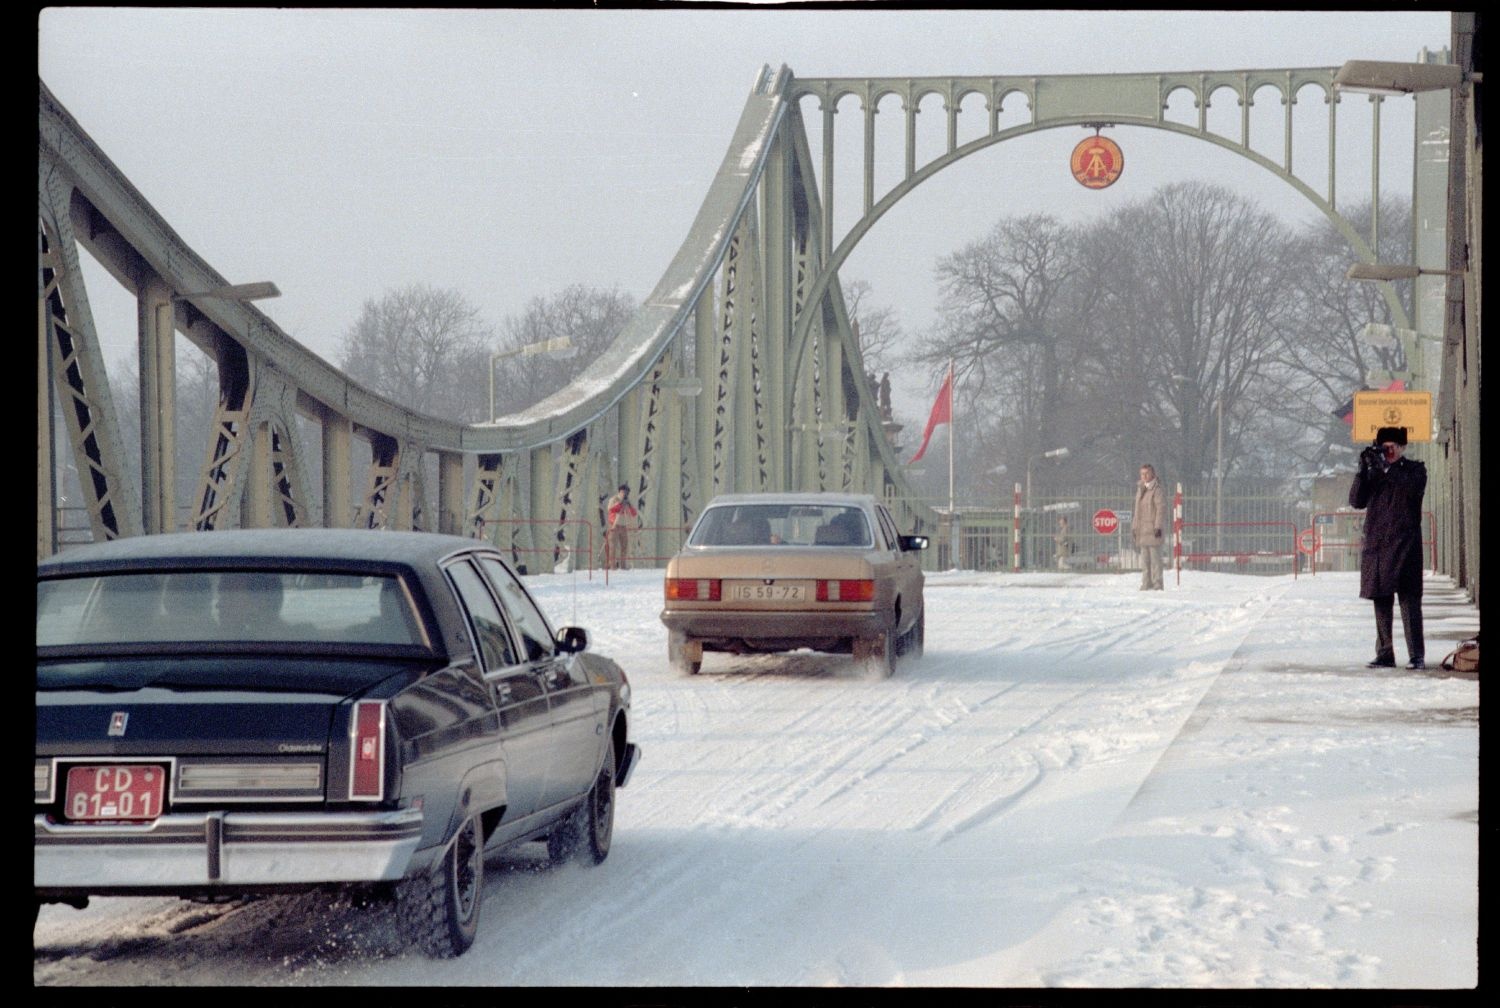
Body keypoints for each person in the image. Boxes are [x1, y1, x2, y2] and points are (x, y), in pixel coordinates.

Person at [1348, 425, 1427, 669]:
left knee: (1409, 601)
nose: (1388, 452)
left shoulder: (1415, 470)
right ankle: (1385, 653)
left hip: (1406, 546)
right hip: (1379, 546)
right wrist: (1363, 471)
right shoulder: (1374, 473)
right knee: (1381, 601)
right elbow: (1356, 501)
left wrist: (1385, 468)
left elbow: (1410, 491)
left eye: (1393, 447)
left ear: (1403, 447)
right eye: (1385, 448)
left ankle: (1416, 655)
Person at [1132, 463, 1166, 590]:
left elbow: (1160, 509)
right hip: (1142, 530)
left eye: (1147, 473)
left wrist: (1158, 526)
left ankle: (1157, 583)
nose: (1144, 476)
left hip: (1152, 530)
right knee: (1144, 561)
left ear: (1153, 474)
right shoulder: (1140, 490)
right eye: (1142, 474)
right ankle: (1146, 583)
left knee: (1155, 560)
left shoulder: (1157, 490)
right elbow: (1137, 511)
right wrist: (1134, 527)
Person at [605, 484, 638, 570]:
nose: (624, 494)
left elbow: (634, 513)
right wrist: (620, 504)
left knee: (624, 546)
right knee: (613, 547)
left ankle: (623, 566)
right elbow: (611, 509)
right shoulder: (614, 499)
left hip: (623, 526)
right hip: (614, 525)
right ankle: (612, 566)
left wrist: (629, 505)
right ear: (619, 491)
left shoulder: (628, 501)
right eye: (623, 492)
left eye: (626, 492)